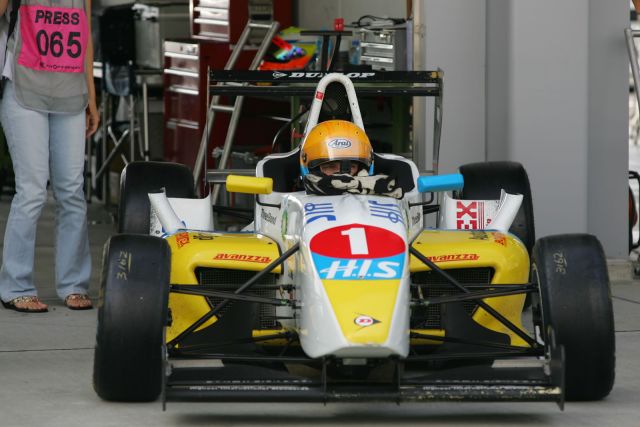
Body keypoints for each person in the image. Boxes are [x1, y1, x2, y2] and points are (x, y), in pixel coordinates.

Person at [0, 0, 99, 312]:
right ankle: (16, 287)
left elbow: (85, 38)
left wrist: (91, 99)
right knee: (31, 191)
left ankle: (74, 285)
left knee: (72, 192)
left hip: (70, 95)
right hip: (24, 93)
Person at [300, 119, 403, 198]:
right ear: (313, 169)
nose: (342, 174)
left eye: (349, 167)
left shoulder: (385, 188)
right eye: (331, 166)